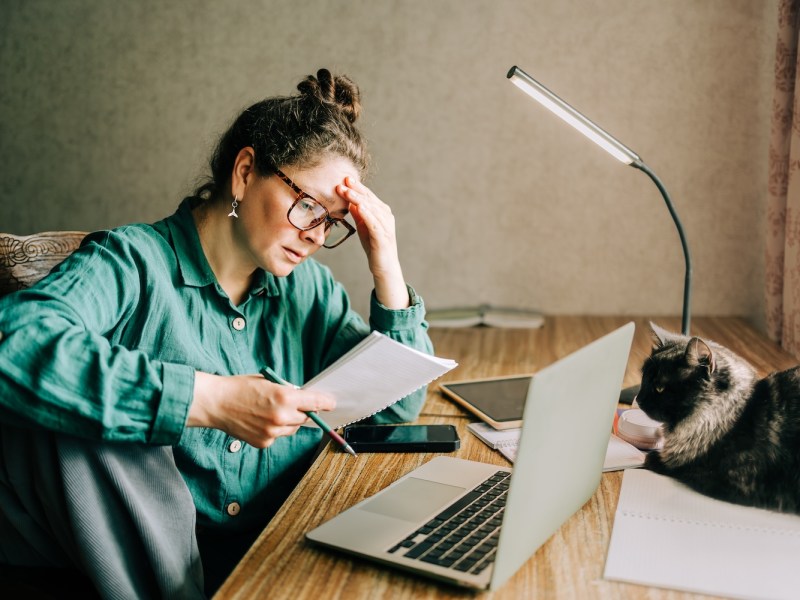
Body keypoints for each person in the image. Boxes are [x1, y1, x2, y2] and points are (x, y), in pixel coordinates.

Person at [0, 68, 432, 598]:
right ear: (245, 173)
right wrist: (206, 400)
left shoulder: (308, 290)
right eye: (308, 206)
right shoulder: (132, 263)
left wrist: (385, 264)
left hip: (283, 564)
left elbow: (397, 408)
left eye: (333, 222)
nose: (316, 237)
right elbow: (14, 344)